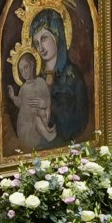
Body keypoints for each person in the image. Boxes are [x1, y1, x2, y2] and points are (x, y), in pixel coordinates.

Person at [28, 8, 90, 146]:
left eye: (44, 38)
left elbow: (79, 119)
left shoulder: (73, 76)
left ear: (57, 36)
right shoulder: (37, 78)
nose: (41, 48)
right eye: (36, 43)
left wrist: (51, 106)